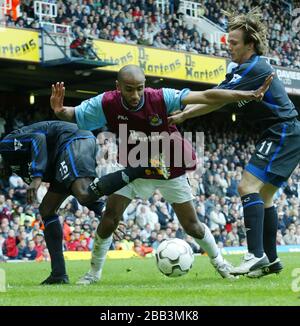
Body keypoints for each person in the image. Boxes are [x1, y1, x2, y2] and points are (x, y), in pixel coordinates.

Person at [50, 64, 271, 284]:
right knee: (110, 218)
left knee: (191, 226)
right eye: (129, 89)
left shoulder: (161, 97)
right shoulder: (106, 102)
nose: (135, 95)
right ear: (118, 87)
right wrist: (60, 110)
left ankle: (222, 265)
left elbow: (205, 95)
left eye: (139, 88)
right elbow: (74, 114)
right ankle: (93, 273)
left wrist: (249, 94)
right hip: (132, 167)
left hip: (168, 167)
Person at [168, 8, 299, 277]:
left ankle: (254, 254)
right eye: (228, 43)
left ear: (250, 45)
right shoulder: (242, 70)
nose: (230, 48)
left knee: (246, 186)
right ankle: (270, 261)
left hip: (282, 131)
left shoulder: (255, 68)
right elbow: (216, 99)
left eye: (234, 43)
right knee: (264, 196)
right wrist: (183, 115)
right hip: (281, 132)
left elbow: (213, 96)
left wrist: (182, 106)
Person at [0, 120, 166, 284]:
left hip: (73, 140)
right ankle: (58, 274)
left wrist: (37, 177)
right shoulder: (15, 168)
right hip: (64, 154)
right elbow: (73, 186)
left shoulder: (5, 146)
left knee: (83, 193)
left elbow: (38, 139)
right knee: (47, 209)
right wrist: (101, 211)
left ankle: (145, 165)